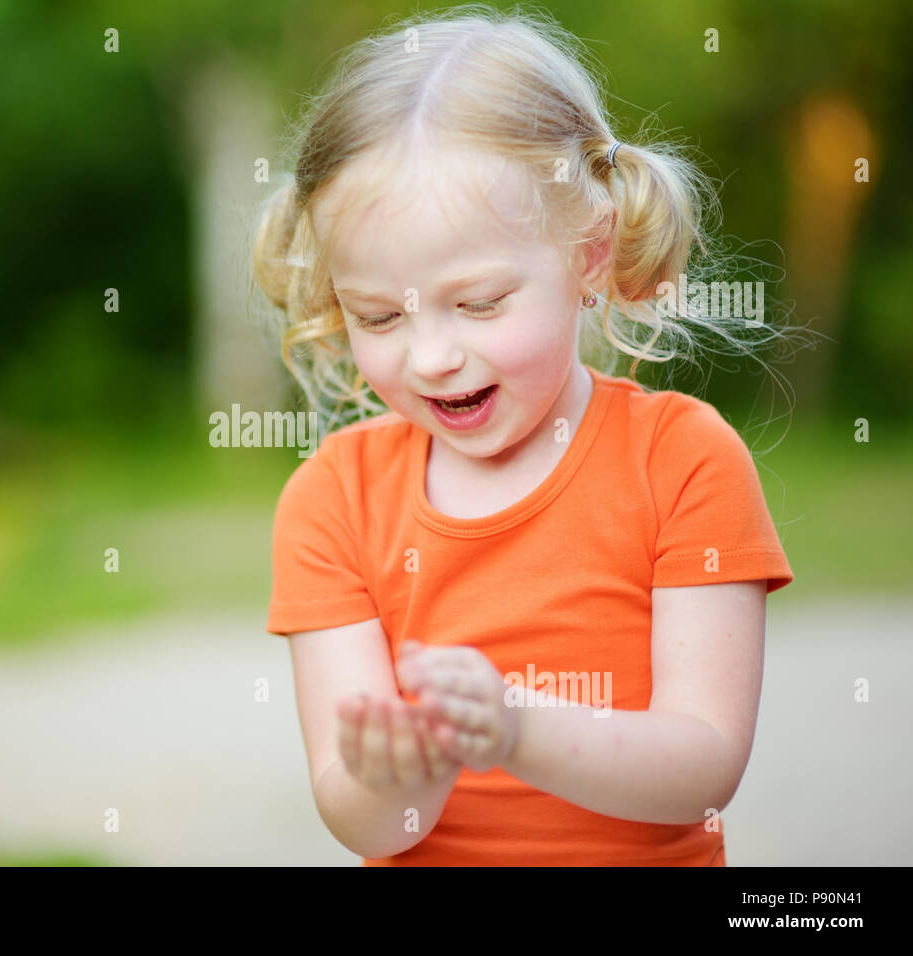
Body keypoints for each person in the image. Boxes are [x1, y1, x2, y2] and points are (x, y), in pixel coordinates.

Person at [251, 6, 795, 865]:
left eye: (480, 303)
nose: (432, 356)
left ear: (588, 255)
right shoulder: (333, 501)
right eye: (379, 315)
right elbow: (362, 822)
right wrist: (407, 771)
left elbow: (704, 766)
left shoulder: (685, 460)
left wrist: (516, 728)